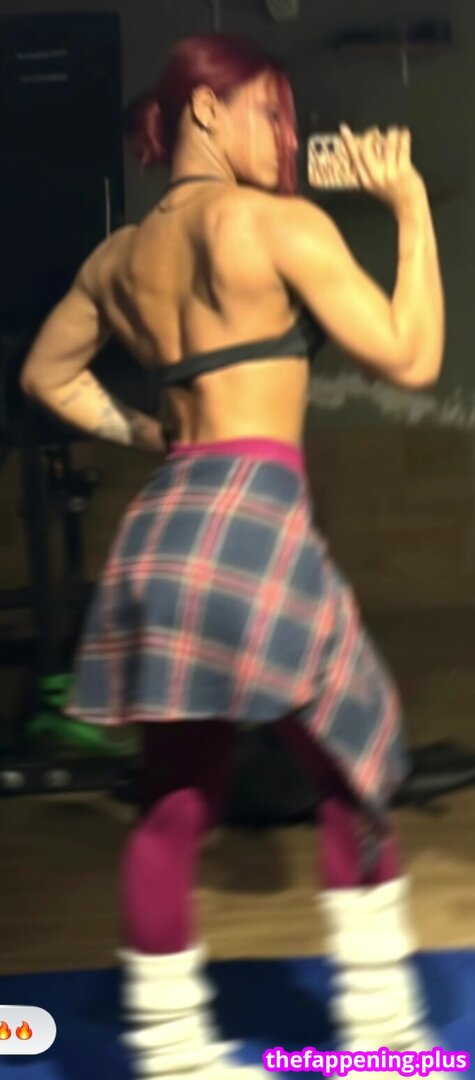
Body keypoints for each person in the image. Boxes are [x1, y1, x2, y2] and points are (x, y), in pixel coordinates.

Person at [21, 32, 446, 1080]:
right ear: (205, 111)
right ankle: (385, 1038)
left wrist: (147, 434)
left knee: (176, 800)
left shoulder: (117, 258)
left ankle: (172, 1053)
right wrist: (408, 205)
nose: (286, 138)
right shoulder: (274, 223)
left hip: (163, 527)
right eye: (270, 112)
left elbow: (45, 377)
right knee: (355, 772)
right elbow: (412, 355)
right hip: (252, 523)